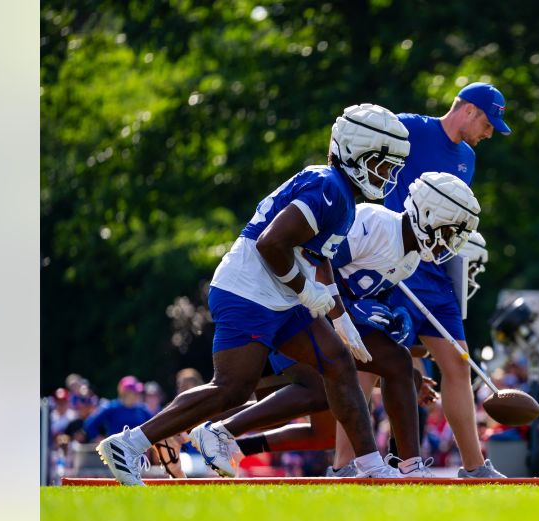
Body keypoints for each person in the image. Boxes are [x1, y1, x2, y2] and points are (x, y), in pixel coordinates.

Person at [96, 104, 411, 485]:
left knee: (336, 363)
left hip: (279, 291)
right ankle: (131, 443)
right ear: (356, 152)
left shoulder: (341, 195)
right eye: (382, 164)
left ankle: (370, 465)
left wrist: (340, 316)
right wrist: (306, 292)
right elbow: (271, 243)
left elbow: (319, 258)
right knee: (232, 387)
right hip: (249, 289)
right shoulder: (327, 185)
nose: (387, 175)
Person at [188, 173, 477, 478]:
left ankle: (410, 466)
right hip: (299, 309)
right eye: (450, 230)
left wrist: (390, 318)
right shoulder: (374, 223)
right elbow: (316, 263)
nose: (451, 240)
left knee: (398, 362)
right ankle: (216, 431)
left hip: (336, 318)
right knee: (307, 392)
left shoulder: (412, 257)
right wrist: (351, 310)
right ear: (430, 214)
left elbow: (371, 293)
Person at [382, 82, 512, 479]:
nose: (489, 133)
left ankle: (473, 467)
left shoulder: (467, 158)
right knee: (372, 363)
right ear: (470, 110)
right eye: (489, 124)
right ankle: (345, 464)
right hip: (394, 266)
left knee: (458, 364)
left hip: (436, 272)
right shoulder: (407, 128)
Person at [84, 376, 154, 441]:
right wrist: (101, 441)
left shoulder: (142, 409)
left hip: (139, 452)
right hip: (116, 452)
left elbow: (154, 425)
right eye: (134, 392)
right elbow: (89, 424)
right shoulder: (111, 407)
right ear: (125, 393)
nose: (137, 394)